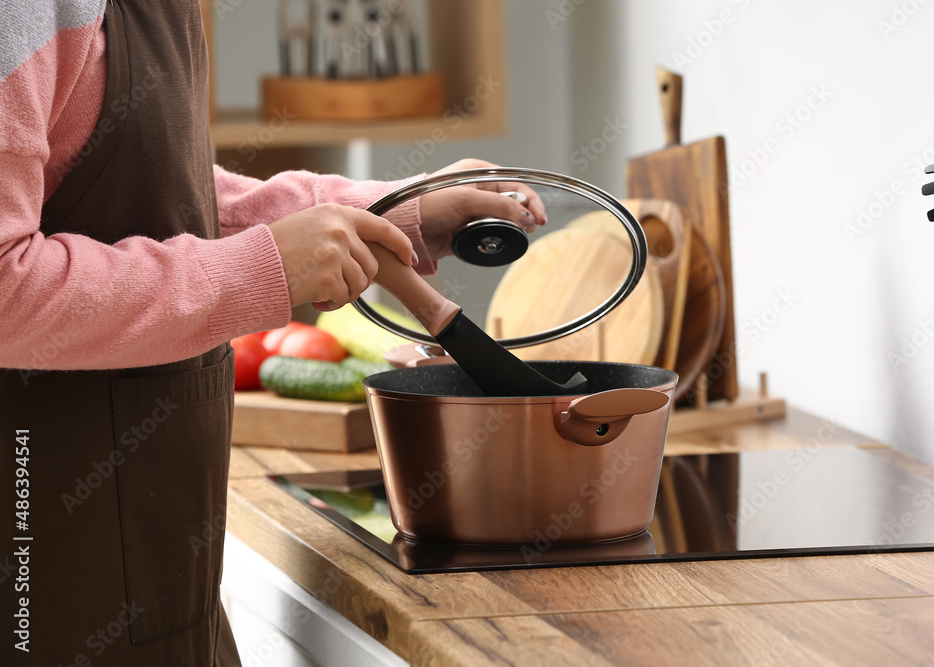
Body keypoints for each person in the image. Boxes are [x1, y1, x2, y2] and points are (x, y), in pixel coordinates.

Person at [0, 2, 545, 665]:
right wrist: (262, 269)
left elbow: (171, 191)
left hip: (156, 586)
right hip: (41, 577)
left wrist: (393, 211)